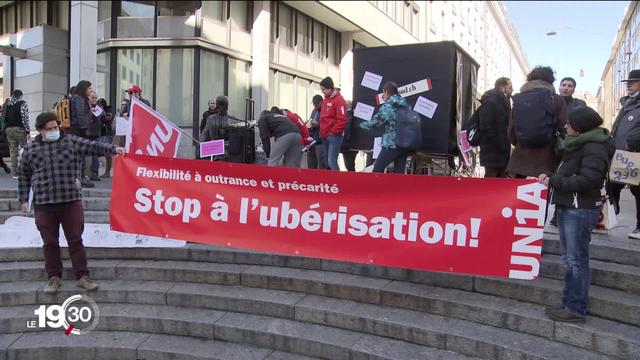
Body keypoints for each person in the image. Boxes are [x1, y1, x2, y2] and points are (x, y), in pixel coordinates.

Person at [18, 112, 125, 294]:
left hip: (70, 202)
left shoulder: (71, 141)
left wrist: (114, 149)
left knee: (75, 240)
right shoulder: (30, 149)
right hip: (44, 203)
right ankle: (54, 277)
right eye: (49, 129)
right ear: (40, 130)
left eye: (56, 127)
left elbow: (93, 146)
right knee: (49, 243)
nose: (54, 131)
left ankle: (82, 276)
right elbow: (24, 176)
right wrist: (23, 199)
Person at [538, 107, 614, 322]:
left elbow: (589, 180)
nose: (565, 126)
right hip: (570, 206)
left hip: (579, 208)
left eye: (569, 123)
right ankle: (568, 303)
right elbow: (570, 173)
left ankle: (575, 309)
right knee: (570, 259)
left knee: (576, 260)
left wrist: (554, 181)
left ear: (578, 128)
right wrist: (550, 175)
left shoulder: (595, 147)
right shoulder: (580, 144)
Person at [506, 66, 568, 178]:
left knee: (519, 195)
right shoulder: (556, 99)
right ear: (550, 81)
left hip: (520, 162)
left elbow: (511, 132)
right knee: (545, 195)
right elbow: (564, 129)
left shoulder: (519, 99)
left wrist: (523, 142)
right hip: (548, 163)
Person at [609, 69, 640, 239]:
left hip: (636, 155)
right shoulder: (627, 103)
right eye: (628, 81)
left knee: (638, 192)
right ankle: (613, 210)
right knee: (612, 186)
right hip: (620, 155)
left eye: (634, 81)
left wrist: (634, 142)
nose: (629, 84)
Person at [361, 82, 410, 173]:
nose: (384, 95)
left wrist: (362, 125)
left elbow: (376, 122)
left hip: (392, 143)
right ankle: (397, 187)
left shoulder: (388, 106)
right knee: (399, 173)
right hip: (404, 143)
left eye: (383, 93)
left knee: (377, 169)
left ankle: (377, 187)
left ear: (387, 92)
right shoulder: (405, 105)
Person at [479, 77, 513, 178]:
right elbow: (485, 126)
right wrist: (498, 143)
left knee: (499, 183)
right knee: (491, 182)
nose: (512, 90)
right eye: (510, 88)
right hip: (493, 152)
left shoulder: (503, 101)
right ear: (503, 87)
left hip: (500, 151)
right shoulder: (491, 101)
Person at [69, 81, 95, 188]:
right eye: (89, 88)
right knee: (81, 154)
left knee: (78, 155)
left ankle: (79, 177)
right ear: (84, 89)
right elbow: (80, 114)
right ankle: (81, 178)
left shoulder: (76, 98)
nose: (90, 90)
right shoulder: (79, 99)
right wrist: (85, 128)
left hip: (75, 129)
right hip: (78, 130)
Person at [319, 77, 347, 171]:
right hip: (325, 134)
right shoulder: (325, 100)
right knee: (327, 162)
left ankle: (338, 182)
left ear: (330, 88)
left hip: (334, 135)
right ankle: (330, 183)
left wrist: (333, 131)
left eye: (323, 89)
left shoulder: (339, 100)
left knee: (331, 161)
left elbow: (342, 119)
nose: (322, 91)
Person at [3, 89, 29, 177]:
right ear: (20, 96)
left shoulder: (7, 103)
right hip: (20, 129)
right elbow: (25, 118)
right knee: (24, 150)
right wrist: (28, 130)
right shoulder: (22, 103)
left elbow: (4, 116)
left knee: (13, 151)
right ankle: (25, 170)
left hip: (9, 129)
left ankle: (15, 172)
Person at [201, 96, 232, 161]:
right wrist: (201, 148)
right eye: (219, 105)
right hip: (214, 151)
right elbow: (204, 134)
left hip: (228, 153)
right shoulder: (211, 118)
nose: (220, 107)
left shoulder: (231, 120)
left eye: (223, 105)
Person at [87, 90, 104, 181]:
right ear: (88, 97)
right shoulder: (85, 106)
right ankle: (83, 174)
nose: (94, 99)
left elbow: (102, 116)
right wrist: (89, 111)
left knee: (95, 154)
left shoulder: (99, 106)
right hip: (86, 133)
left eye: (95, 98)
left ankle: (94, 173)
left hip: (96, 133)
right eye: (93, 97)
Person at [307, 95, 326, 169]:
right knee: (311, 163)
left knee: (321, 163)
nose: (315, 106)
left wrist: (318, 124)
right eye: (314, 104)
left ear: (321, 102)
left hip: (320, 140)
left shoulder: (325, 111)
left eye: (316, 104)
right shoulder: (314, 111)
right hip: (312, 139)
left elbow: (328, 124)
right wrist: (309, 123)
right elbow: (311, 119)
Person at [98, 98, 114, 178]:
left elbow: (108, 119)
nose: (99, 106)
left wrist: (101, 112)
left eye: (101, 105)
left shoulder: (108, 111)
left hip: (107, 134)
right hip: (99, 133)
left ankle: (107, 172)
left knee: (107, 153)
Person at [340, 101, 359, 172]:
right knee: (349, 165)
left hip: (348, 143)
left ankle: (353, 179)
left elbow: (347, 128)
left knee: (349, 165)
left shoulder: (348, 115)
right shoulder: (352, 115)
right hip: (350, 143)